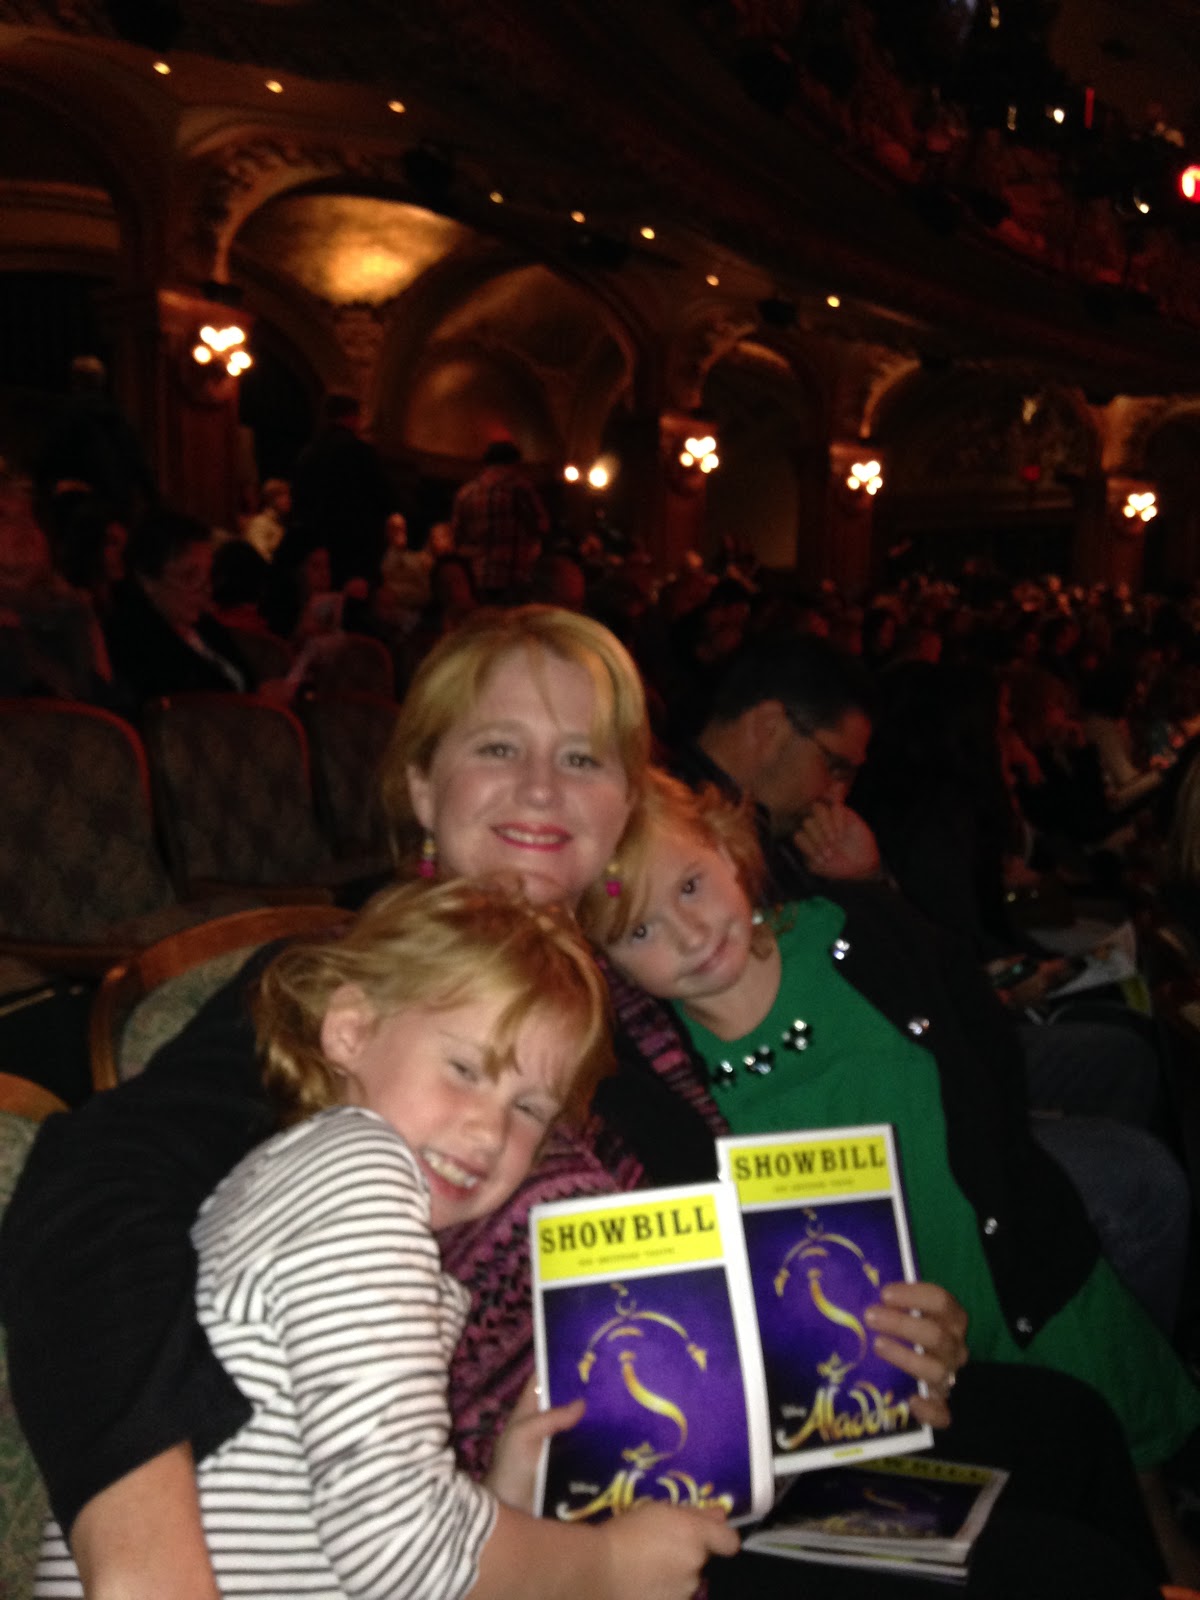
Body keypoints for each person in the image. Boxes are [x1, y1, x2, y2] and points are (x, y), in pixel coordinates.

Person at [0, 607, 1143, 1600]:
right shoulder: (365, 991)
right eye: (500, 748)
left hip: (704, 1448)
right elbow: (93, 1190)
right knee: (1061, 1575)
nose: (544, 789)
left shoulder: (621, 992)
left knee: (1066, 1430)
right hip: (510, 1529)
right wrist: (145, 1558)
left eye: (583, 757)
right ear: (418, 786)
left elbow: (711, 1239)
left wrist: (871, 1345)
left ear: (623, 802)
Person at [35, 876, 736, 1599]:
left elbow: (344, 1534)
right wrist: (607, 1569)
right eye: (465, 1069)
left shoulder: (330, 1191)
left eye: (529, 1108)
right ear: (351, 1030)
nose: (488, 1130)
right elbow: (402, 1552)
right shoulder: (357, 1172)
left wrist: (506, 1494)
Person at [577, 768, 1200, 1579]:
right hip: (890, 1352)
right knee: (1031, 1509)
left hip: (1020, 1271)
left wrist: (1006, 1173)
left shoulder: (857, 930)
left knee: (1124, 1455)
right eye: (640, 933)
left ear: (731, 851)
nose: (690, 933)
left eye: (693, 884)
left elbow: (981, 1044)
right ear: (611, 968)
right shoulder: (659, 1085)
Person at [675, 633, 1191, 1335]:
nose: (837, 792)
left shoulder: (766, 830)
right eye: (833, 766)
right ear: (769, 728)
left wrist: (872, 888)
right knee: (1140, 1178)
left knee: (1123, 1087)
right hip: (846, 1134)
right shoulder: (692, 840)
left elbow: (927, 986)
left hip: (906, 1083)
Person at [451, 441, 549, 602]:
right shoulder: (519, 488)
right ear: (514, 462)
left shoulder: (466, 493)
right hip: (513, 576)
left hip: (476, 577)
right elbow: (542, 525)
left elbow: (457, 536)